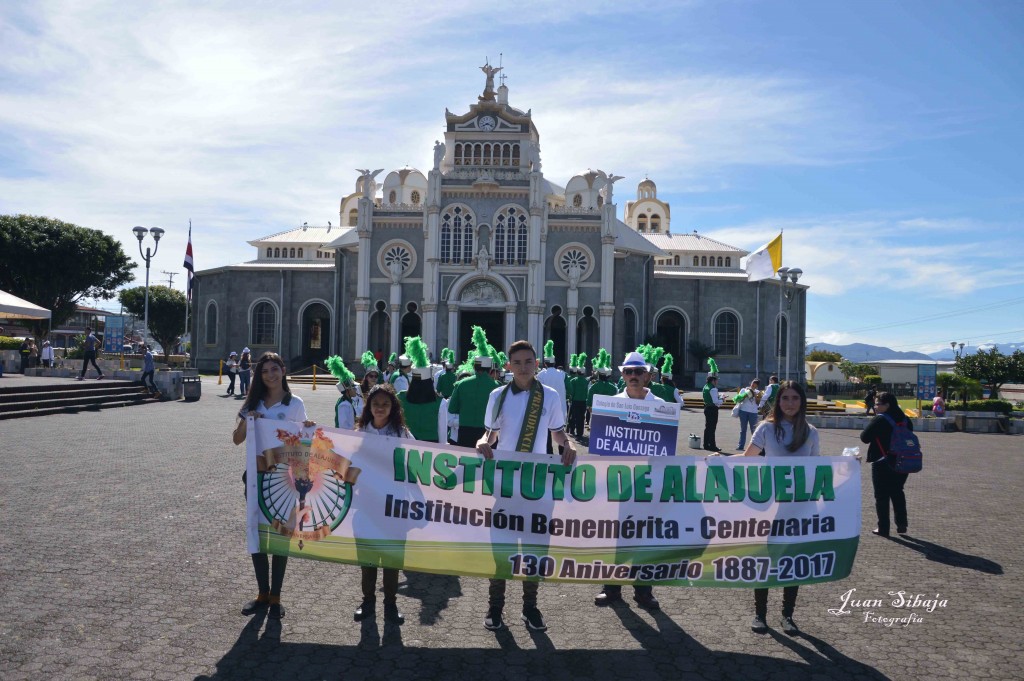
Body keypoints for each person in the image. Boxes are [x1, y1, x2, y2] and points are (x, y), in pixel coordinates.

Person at [477, 340, 576, 632]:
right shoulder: (497, 395)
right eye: (517, 362)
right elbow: (490, 434)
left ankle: (530, 608)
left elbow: (557, 433)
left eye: (528, 361)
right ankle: (495, 607)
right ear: (508, 366)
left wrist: (567, 445)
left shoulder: (550, 396)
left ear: (536, 363)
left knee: (534, 547)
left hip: (537, 482)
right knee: (501, 547)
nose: (523, 367)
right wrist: (483, 442)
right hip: (505, 482)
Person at [232, 352, 312, 621]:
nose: (270, 375)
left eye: (274, 369)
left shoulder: (295, 403)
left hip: (284, 480)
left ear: (283, 370)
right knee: (257, 533)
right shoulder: (254, 403)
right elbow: (236, 439)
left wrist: (309, 431)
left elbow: (304, 441)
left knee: (281, 535)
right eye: (265, 371)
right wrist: (248, 419)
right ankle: (262, 593)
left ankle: (276, 595)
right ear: (260, 375)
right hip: (256, 477)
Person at [741, 380, 820, 636]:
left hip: (798, 508)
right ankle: (760, 614)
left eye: (795, 398)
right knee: (764, 560)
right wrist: (717, 462)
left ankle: (788, 616)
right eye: (785, 398)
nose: (789, 403)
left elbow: (817, 470)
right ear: (778, 401)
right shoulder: (766, 428)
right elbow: (747, 461)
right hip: (769, 506)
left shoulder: (810, 432)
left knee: (792, 562)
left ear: (802, 401)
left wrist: (847, 465)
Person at [594, 350, 663, 610]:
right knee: (616, 538)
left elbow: (664, 447)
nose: (633, 376)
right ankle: (611, 589)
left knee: (645, 539)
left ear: (647, 375)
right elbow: (602, 447)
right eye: (629, 371)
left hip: (647, 482)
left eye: (638, 372)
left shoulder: (660, 405)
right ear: (622, 374)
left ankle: (643, 591)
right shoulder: (611, 404)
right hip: (619, 483)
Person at [354, 384, 410, 625]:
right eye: (375, 404)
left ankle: (390, 603)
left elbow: (418, 461)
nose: (380, 408)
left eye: (385, 404)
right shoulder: (358, 433)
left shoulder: (402, 434)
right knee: (367, 558)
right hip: (366, 503)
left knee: (391, 557)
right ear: (369, 406)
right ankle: (367, 601)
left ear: (393, 407)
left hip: (394, 504)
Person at [860, 392, 911, 538]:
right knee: (897, 492)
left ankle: (883, 528)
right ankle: (902, 524)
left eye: (878, 404)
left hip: (882, 461)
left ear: (887, 405)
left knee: (881, 496)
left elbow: (864, 438)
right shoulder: (905, 418)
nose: (875, 407)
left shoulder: (880, 420)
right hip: (902, 461)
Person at [448, 354, 499, 447]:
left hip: (465, 432)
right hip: (488, 433)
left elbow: (452, 409)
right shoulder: (497, 386)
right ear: (490, 369)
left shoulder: (461, 384)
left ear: (474, 367)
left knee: (464, 460)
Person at [702, 360, 724, 452]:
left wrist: (719, 398)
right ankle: (712, 446)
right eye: (716, 380)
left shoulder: (706, 386)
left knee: (707, 427)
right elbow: (716, 402)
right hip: (712, 409)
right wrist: (722, 399)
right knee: (712, 428)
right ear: (713, 380)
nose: (717, 381)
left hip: (707, 407)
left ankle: (706, 444)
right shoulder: (713, 389)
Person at [735, 379, 761, 451]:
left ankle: (756, 447)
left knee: (754, 430)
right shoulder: (744, 390)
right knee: (743, 429)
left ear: (757, 385)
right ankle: (741, 445)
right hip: (743, 411)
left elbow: (758, 403)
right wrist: (744, 396)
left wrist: (755, 396)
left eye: (755, 384)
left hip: (753, 412)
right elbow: (738, 400)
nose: (753, 384)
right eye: (753, 383)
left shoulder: (758, 392)